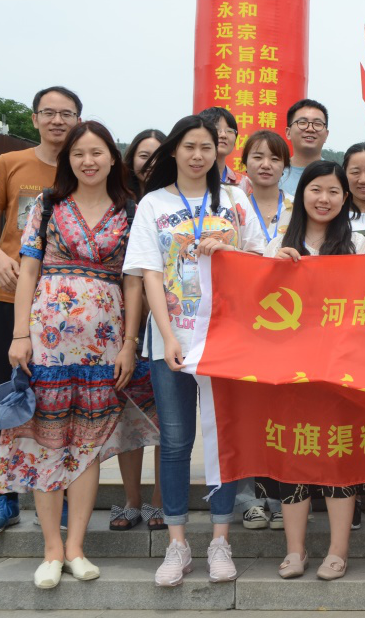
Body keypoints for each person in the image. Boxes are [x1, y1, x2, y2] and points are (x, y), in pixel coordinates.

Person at [2, 121, 159, 588]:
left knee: (87, 446)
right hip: (47, 343)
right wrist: (20, 334)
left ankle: (76, 548)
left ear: (113, 157)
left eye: (96, 152)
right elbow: (29, 272)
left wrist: (129, 344)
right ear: (68, 159)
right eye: (78, 154)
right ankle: (51, 550)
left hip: (104, 347)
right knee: (45, 441)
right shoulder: (47, 205)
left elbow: (134, 282)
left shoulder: (130, 211)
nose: (88, 161)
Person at [122, 114, 268, 587]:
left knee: (224, 439)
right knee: (176, 441)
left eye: (207, 146)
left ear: (218, 151)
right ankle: (178, 544)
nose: (198, 155)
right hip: (173, 340)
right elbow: (149, 274)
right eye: (189, 146)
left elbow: (260, 260)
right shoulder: (153, 203)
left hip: (228, 341)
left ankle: (220, 540)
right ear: (174, 151)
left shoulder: (236, 200)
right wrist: (166, 337)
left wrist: (226, 249)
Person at [264, 160, 365, 581]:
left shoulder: (357, 246)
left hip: (340, 371)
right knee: (293, 457)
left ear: (345, 198)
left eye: (334, 191)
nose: (324, 199)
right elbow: (254, 299)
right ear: (302, 195)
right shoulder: (277, 244)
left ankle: (337, 551)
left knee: (337, 456)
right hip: (289, 373)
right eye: (316, 189)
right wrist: (270, 267)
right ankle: (295, 551)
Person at [0, 85, 82, 535]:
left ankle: (59, 493)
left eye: (67, 114)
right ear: (35, 118)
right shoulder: (10, 162)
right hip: (8, 299)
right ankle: (4, 495)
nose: (57, 120)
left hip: (63, 310)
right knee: (1, 394)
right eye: (48, 112)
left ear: (78, 120)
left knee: (61, 402)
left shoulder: (86, 167)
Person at [236, 129, 296, 532]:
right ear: (244, 164)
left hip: (286, 324)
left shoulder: (298, 208)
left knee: (281, 414)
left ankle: (281, 496)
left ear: (285, 167)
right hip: (241, 323)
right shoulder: (229, 205)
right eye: (257, 156)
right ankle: (250, 499)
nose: (266, 164)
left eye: (275, 158)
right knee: (247, 413)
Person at [115, 126, 167, 531]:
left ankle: (159, 501)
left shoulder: (173, 202)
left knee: (167, 423)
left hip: (167, 328)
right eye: (143, 155)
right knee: (129, 420)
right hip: (122, 325)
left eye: (158, 155)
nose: (150, 163)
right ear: (131, 159)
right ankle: (132, 499)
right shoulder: (118, 204)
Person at [280, 98, 330, 191]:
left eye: (317, 124)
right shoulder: (275, 174)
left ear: (326, 135)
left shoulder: (334, 174)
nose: (310, 129)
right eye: (302, 123)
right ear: (288, 132)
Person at [198, 106, 248, 190]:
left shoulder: (243, 183)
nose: (223, 135)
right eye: (216, 129)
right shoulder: (190, 179)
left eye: (229, 131)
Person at [122, 129, 166, 197]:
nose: (152, 163)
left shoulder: (178, 199)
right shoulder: (117, 198)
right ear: (132, 158)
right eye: (144, 156)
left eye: (159, 157)